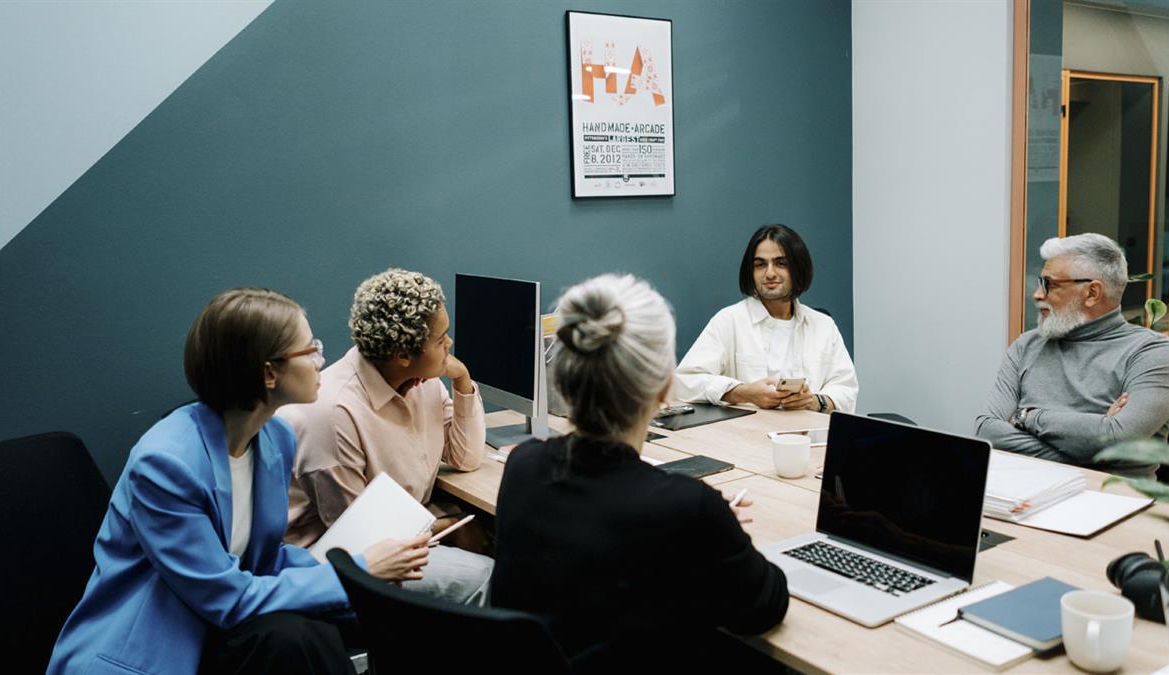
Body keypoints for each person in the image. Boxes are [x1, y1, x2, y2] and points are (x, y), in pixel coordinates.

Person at [48, 288, 431, 675]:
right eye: (310, 349)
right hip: (156, 647)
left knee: (377, 619)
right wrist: (360, 569)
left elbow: (264, 560)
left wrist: (355, 570)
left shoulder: (275, 438)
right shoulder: (164, 464)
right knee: (299, 638)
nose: (321, 360)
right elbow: (225, 596)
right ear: (268, 373)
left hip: (219, 627)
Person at [491, 273, 789, 668]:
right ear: (664, 388)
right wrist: (714, 528)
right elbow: (764, 607)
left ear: (564, 379)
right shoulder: (688, 507)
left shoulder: (523, 466)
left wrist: (701, 526)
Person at [280, 268, 491, 605]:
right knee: (486, 574)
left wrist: (462, 380)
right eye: (440, 339)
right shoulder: (333, 414)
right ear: (403, 355)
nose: (449, 344)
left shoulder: (423, 383)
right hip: (338, 563)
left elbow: (465, 458)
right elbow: (360, 539)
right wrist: (448, 526)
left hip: (405, 530)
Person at [975, 233, 1169, 476]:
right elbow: (987, 431)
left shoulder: (1151, 352)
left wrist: (1026, 417)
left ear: (1092, 293)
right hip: (1022, 488)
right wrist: (1095, 440)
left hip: (1109, 495)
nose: (1037, 294)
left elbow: (1120, 440)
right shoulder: (1026, 345)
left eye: (1049, 284)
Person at [673, 224, 858, 412]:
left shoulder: (823, 325)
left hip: (812, 430)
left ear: (798, 268)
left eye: (781, 263)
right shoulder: (730, 320)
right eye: (760, 265)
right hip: (748, 430)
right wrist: (744, 393)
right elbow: (686, 381)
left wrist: (814, 401)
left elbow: (846, 387)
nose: (770, 273)